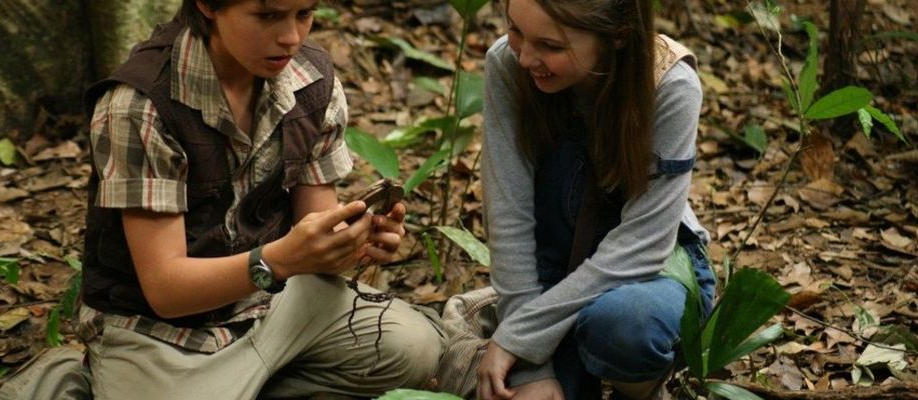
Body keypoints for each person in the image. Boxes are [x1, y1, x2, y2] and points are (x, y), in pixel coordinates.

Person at [77, 0, 445, 398]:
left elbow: (315, 224)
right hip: (161, 332)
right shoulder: (141, 106)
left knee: (414, 350)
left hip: (274, 304)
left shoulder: (309, 80)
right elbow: (165, 290)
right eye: (267, 16)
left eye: (304, 14)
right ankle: (73, 381)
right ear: (208, 5)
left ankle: (243, 383)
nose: (291, 38)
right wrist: (280, 260)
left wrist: (351, 242)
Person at [475, 0, 717, 399]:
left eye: (551, 46)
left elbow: (644, 247)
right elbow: (509, 215)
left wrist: (518, 336)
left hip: (652, 277)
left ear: (617, 37)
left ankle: (643, 389)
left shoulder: (670, 87)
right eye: (515, 30)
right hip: (551, 275)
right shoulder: (506, 63)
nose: (525, 57)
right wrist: (530, 365)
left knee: (626, 327)